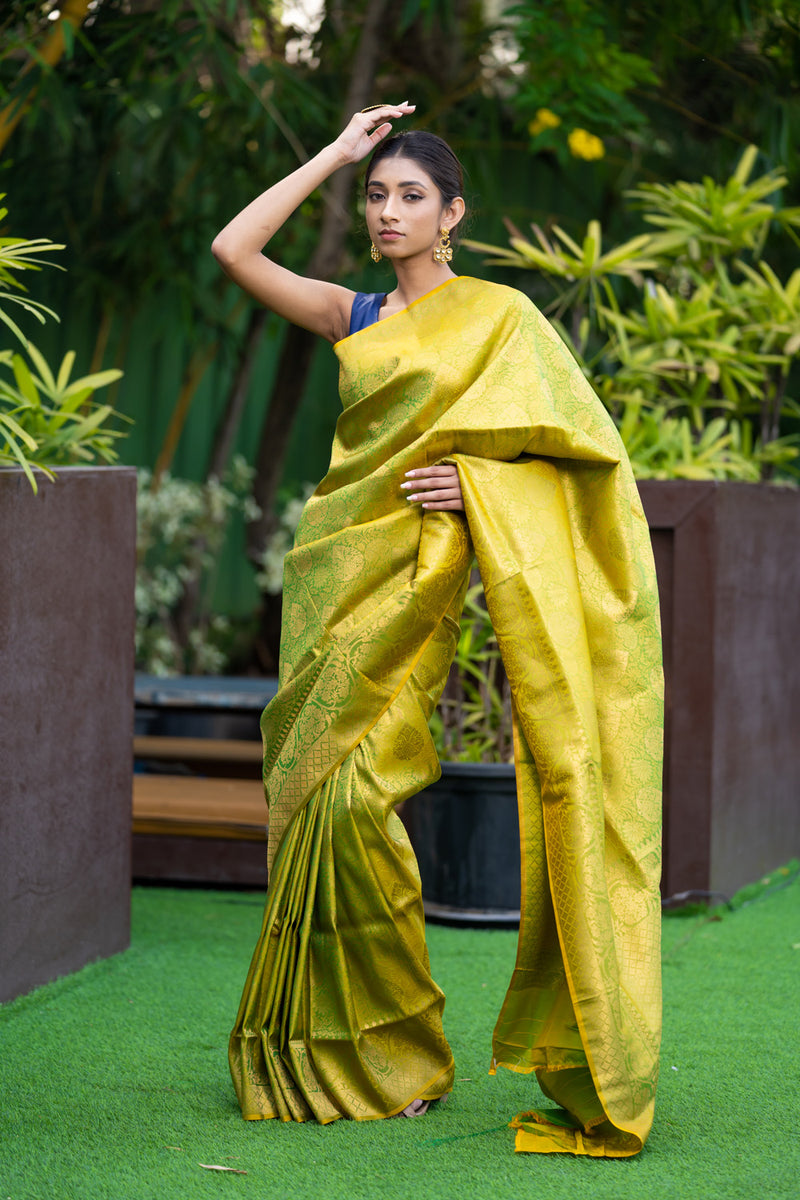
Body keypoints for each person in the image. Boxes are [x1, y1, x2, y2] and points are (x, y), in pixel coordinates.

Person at [212, 104, 664, 1156]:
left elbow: (582, 458)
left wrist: (474, 483)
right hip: (337, 579)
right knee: (318, 810)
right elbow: (236, 248)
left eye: (409, 195)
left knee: (363, 801)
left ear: (450, 213)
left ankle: (401, 1047)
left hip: (422, 591)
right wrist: (334, 152)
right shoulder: (353, 315)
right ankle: (330, 1052)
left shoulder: (501, 320)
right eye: (376, 196)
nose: (387, 211)